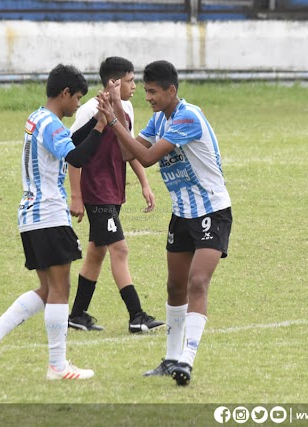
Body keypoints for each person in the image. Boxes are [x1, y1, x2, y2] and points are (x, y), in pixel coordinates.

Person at [96, 60, 232, 386]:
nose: (149, 97)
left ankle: (186, 359)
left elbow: (145, 158)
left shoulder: (187, 116)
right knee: (174, 286)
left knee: (197, 282)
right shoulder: (159, 119)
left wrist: (114, 120)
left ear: (172, 90)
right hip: (182, 213)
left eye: (154, 91)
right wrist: (114, 114)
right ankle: (171, 358)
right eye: (145, 91)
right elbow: (130, 153)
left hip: (211, 211)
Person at [0, 64, 108, 380]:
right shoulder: (51, 124)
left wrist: (96, 122)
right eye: (76, 99)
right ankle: (57, 366)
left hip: (32, 216)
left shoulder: (39, 118)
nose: (77, 105)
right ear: (64, 94)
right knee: (60, 289)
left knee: (48, 289)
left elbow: (69, 144)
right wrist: (101, 128)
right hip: (48, 214)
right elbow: (76, 157)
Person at [67, 56, 164, 334]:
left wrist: (144, 183)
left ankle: (77, 314)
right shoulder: (88, 110)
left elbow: (127, 148)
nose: (136, 86)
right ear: (114, 82)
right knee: (119, 249)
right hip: (97, 192)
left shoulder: (127, 107)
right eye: (131, 80)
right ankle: (137, 315)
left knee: (96, 253)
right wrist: (76, 196)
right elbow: (72, 154)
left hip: (114, 190)